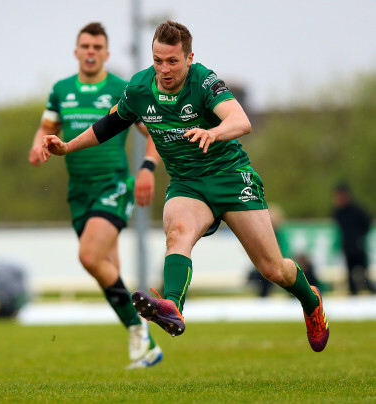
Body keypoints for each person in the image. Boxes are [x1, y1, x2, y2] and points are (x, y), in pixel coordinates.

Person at [43, 20, 330, 353]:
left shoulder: (204, 81)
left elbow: (241, 121)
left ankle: (311, 302)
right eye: (157, 60)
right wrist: (67, 145)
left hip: (230, 176)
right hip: (187, 184)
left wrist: (214, 132)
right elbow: (109, 124)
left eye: (172, 61)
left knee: (272, 268)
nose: (164, 69)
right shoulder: (140, 88)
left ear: (189, 57)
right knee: (177, 231)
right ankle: (173, 305)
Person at [29, 22, 163, 369]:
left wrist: (146, 168)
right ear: (76, 52)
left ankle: (137, 328)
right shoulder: (61, 90)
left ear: (106, 53)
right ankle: (145, 346)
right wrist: (37, 145)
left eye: (97, 47)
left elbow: (153, 133)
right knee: (107, 269)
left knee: (89, 256)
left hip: (114, 186)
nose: (90, 52)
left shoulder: (122, 89)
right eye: (85, 46)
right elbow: (47, 127)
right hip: (79, 193)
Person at [332, 182, 376, 295]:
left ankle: (369, 289)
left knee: (363, 271)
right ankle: (354, 292)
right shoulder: (339, 212)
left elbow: (367, 223)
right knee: (350, 273)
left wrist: (360, 237)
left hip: (358, 246)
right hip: (347, 246)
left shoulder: (357, 210)